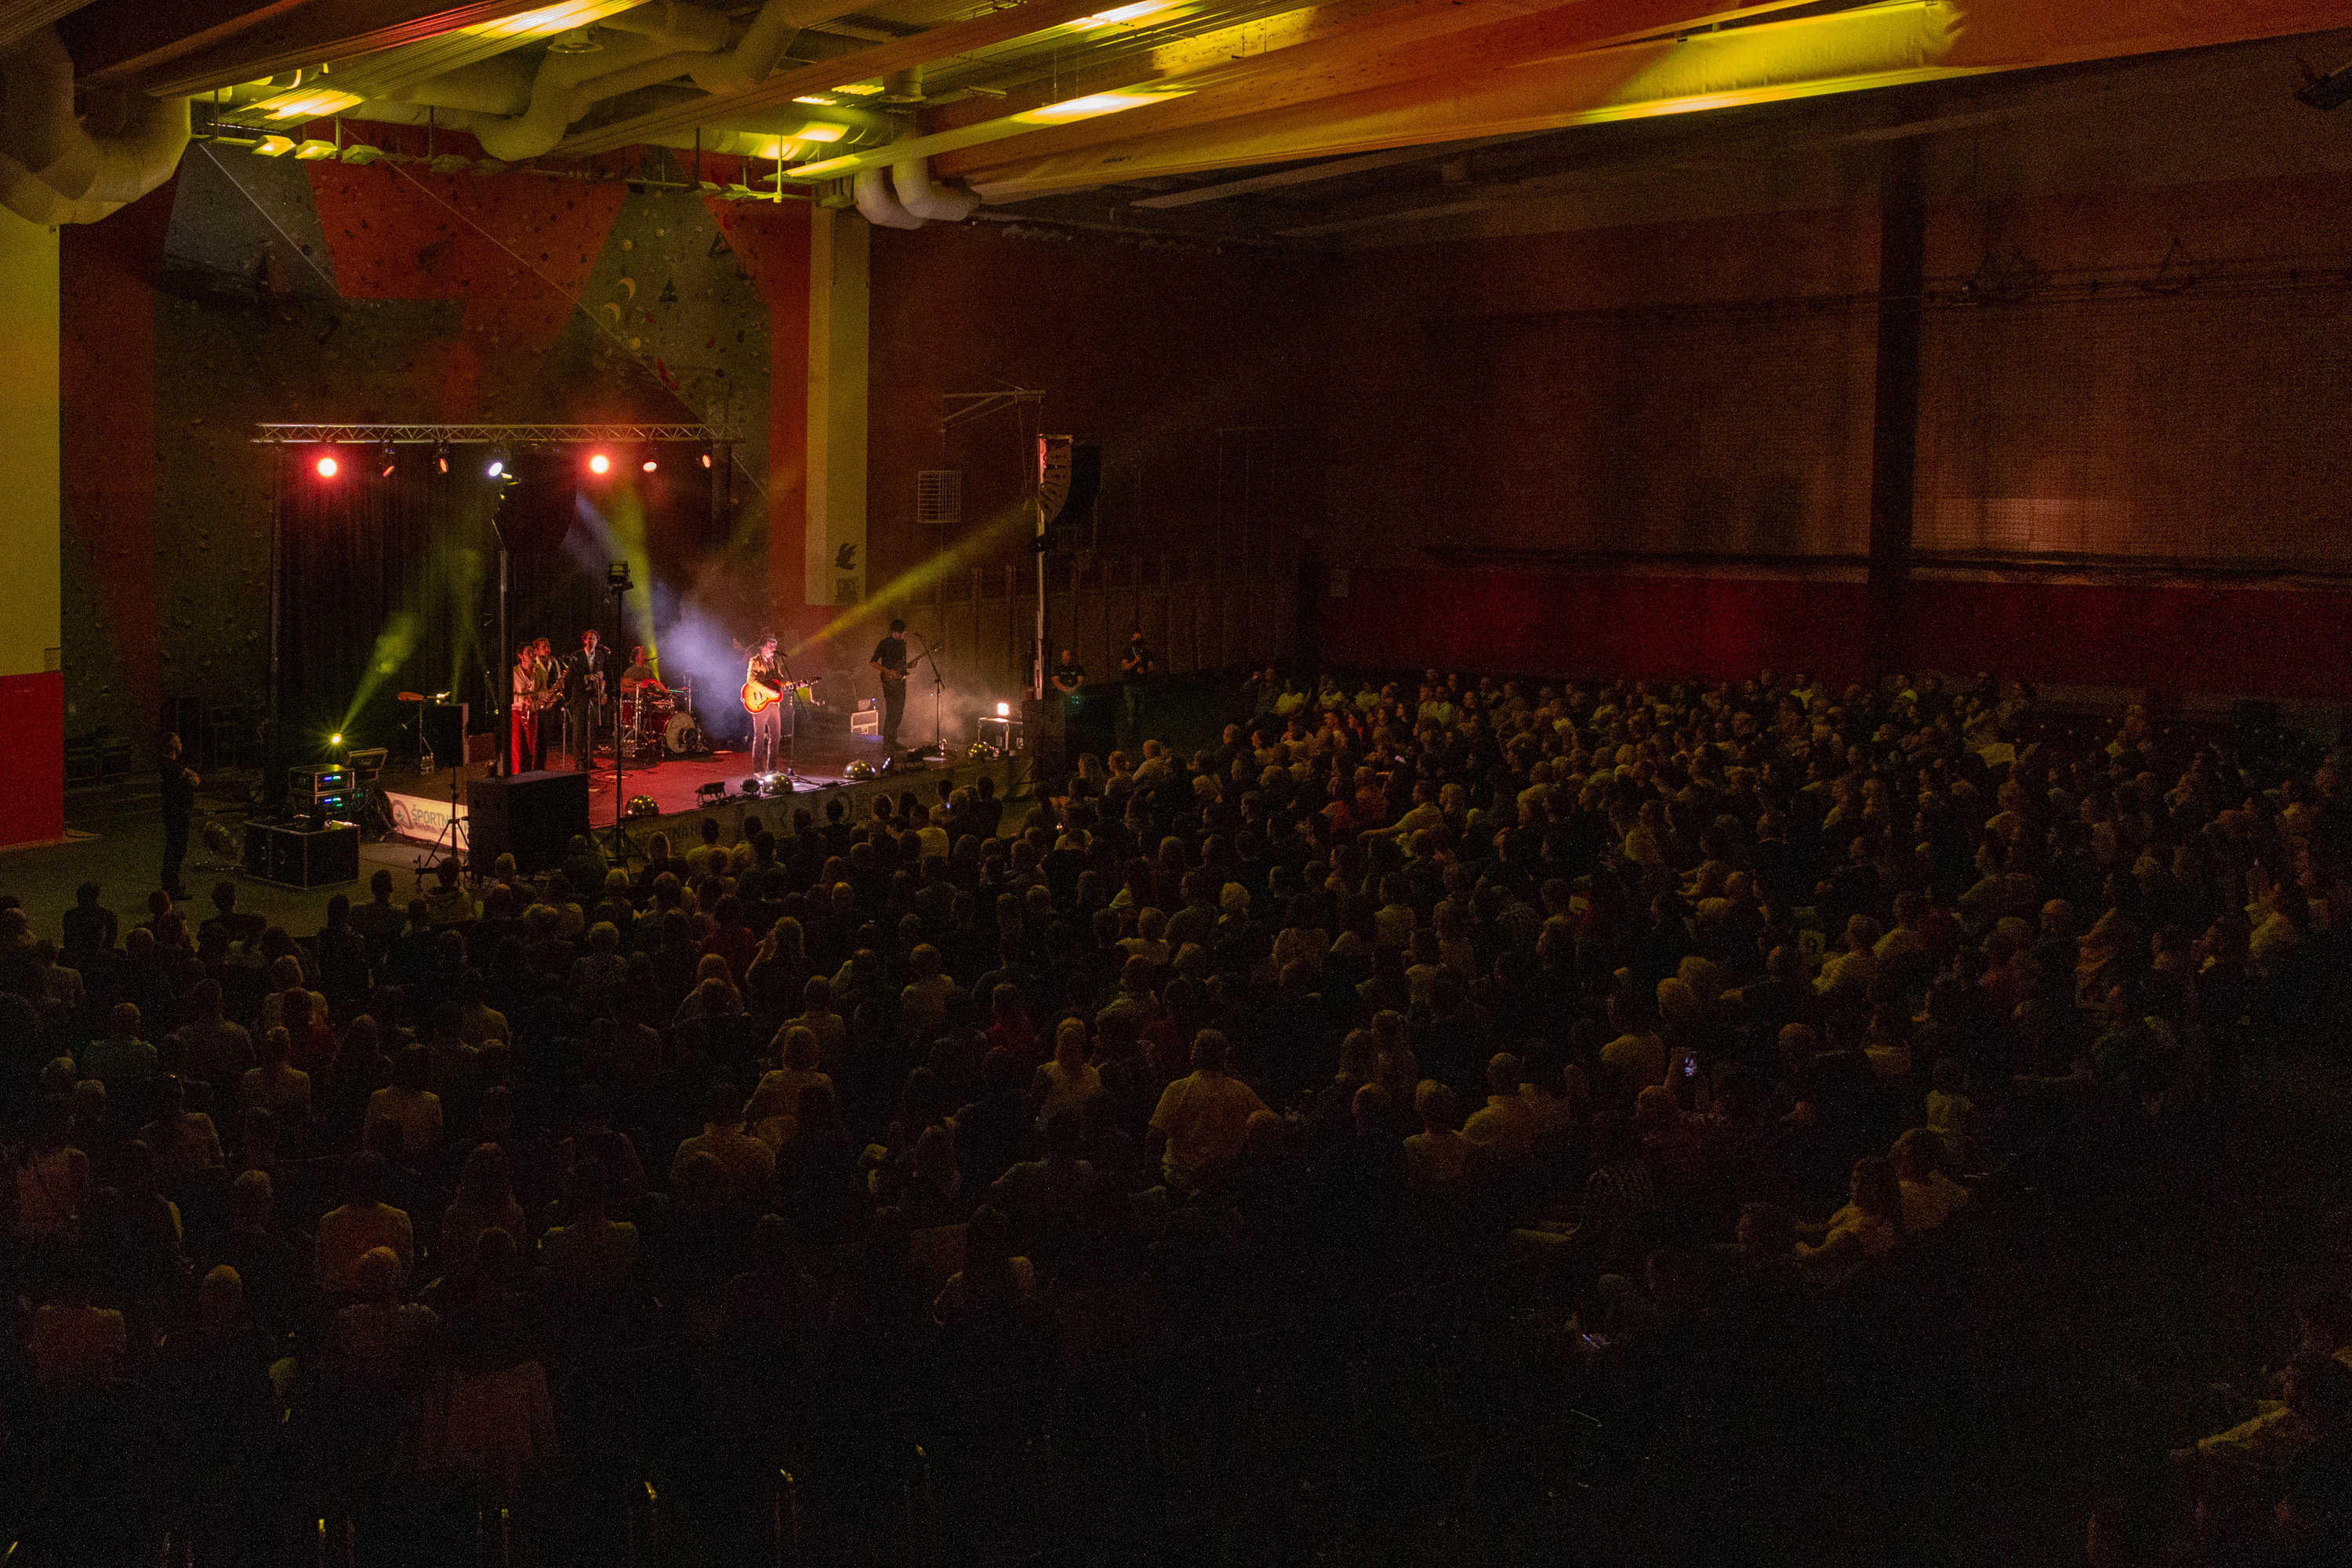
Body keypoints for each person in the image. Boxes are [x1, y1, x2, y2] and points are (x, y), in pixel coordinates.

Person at [744, 633, 793, 779]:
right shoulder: (755, 661)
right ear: (763, 647)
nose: (774, 647)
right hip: (759, 701)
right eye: (771, 645)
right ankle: (758, 769)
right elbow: (751, 681)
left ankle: (772, 768)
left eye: (775, 645)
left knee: (776, 735)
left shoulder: (776, 662)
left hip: (773, 703)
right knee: (759, 736)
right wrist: (768, 691)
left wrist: (795, 685)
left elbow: (780, 682)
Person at [564, 627, 611, 771]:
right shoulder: (576, 656)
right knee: (579, 729)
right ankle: (579, 761)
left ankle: (590, 760)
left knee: (591, 729)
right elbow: (570, 677)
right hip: (579, 696)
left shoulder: (601, 656)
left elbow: (605, 674)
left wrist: (601, 680)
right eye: (589, 638)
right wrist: (586, 678)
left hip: (594, 696)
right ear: (584, 640)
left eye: (594, 638)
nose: (591, 641)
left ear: (598, 641)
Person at [159, 732, 199, 900]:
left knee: (175, 849)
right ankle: (171, 887)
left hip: (175, 811)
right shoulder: (171, 767)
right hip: (177, 812)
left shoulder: (171, 765)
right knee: (176, 849)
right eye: (179, 742)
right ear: (174, 745)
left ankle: (170, 885)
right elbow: (193, 780)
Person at [869, 618, 910, 753]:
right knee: (892, 711)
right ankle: (887, 743)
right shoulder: (884, 644)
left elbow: (902, 664)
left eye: (904, 633)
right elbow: (873, 662)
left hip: (901, 681)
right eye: (901, 633)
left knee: (899, 711)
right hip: (889, 682)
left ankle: (893, 740)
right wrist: (888, 671)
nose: (902, 635)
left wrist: (909, 666)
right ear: (895, 632)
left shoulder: (903, 644)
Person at [1116, 630, 1155, 745]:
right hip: (1130, 685)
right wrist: (1135, 662)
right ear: (1132, 639)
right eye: (1136, 638)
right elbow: (1124, 667)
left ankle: (1141, 734)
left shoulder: (1146, 652)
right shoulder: (1127, 652)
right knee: (1131, 710)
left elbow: (1151, 667)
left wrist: (1146, 670)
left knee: (1141, 710)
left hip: (1142, 684)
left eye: (1140, 638)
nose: (1138, 641)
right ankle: (1132, 736)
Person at [510, 641, 539, 774]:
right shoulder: (514, 673)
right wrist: (523, 700)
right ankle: (516, 774)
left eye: (533, 652)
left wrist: (535, 697)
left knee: (531, 745)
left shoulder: (538, 672)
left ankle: (530, 773)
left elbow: (544, 690)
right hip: (517, 711)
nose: (532, 655)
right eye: (529, 653)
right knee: (517, 745)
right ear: (520, 655)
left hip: (532, 711)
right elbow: (509, 696)